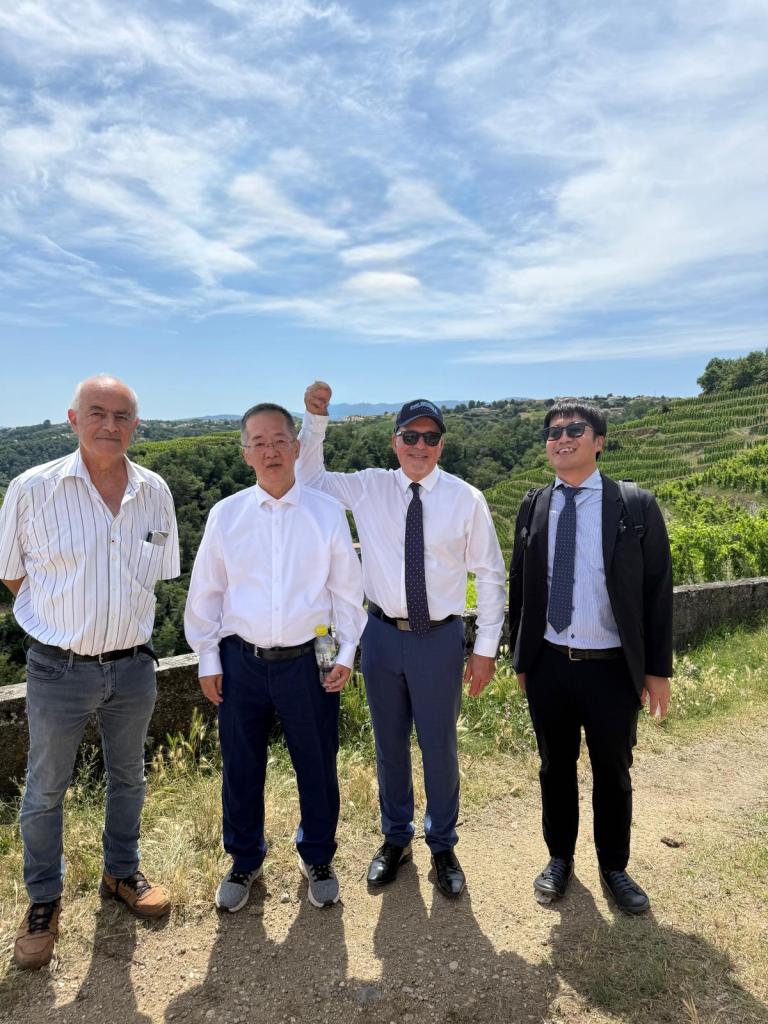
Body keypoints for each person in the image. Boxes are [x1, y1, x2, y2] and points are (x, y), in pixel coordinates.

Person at [298, 382, 506, 898]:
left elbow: (490, 574)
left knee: (440, 747)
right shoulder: (370, 486)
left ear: (442, 445)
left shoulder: (466, 498)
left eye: (430, 437)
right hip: (382, 635)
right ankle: (395, 838)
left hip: (440, 637)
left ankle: (443, 844)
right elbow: (310, 479)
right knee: (389, 745)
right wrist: (315, 421)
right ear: (395, 441)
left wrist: (485, 649)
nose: (420, 446)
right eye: (410, 436)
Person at [0, 375, 180, 970]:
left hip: (133, 666)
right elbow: (12, 573)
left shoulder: (155, 491)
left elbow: (158, 573)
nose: (110, 425)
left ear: (136, 426)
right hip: (59, 668)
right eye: (97, 412)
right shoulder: (31, 489)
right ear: (73, 419)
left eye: (122, 416)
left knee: (129, 778)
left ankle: (121, 873)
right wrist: (62, 620)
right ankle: (43, 900)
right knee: (46, 789)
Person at [184, 403, 366, 911]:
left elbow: (346, 593)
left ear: (296, 447)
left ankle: (318, 855)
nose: (270, 451)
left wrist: (345, 653)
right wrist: (207, 657)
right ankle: (244, 859)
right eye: (259, 443)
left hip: (310, 659)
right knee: (241, 766)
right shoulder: (226, 515)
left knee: (318, 762)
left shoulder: (326, 512)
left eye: (279, 440)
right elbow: (207, 593)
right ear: (246, 453)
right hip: (240, 661)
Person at [508, 399, 673, 914]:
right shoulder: (535, 504)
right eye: (553, 431)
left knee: (613, 771)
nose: (562, 437)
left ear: (598, 441)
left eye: (575, 429)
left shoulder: (634, 505)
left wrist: (657, 670)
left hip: (611, 668)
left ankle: (614, 866)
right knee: (554, 768)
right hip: (550, 663)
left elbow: (657, 591)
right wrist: (521, 656)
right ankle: (559, 858)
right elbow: (521, 584)